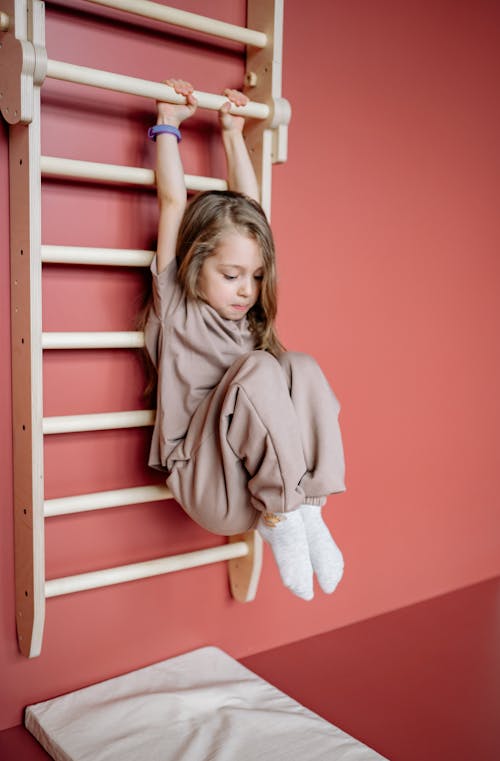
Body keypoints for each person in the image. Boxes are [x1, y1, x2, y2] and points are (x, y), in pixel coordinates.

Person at [144, 79, 346, 600]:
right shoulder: (178, 305)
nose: (246, 290)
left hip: (253, 485)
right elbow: (171, 201)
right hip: (206, 483)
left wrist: (233, 133)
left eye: (256, 277)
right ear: (194, 265)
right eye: (232, 275)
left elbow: (250, 208)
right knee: (261, 369)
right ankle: (284, 515)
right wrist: (168, 123)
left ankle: (307, 508)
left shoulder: (248, 322)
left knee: (296, 364)